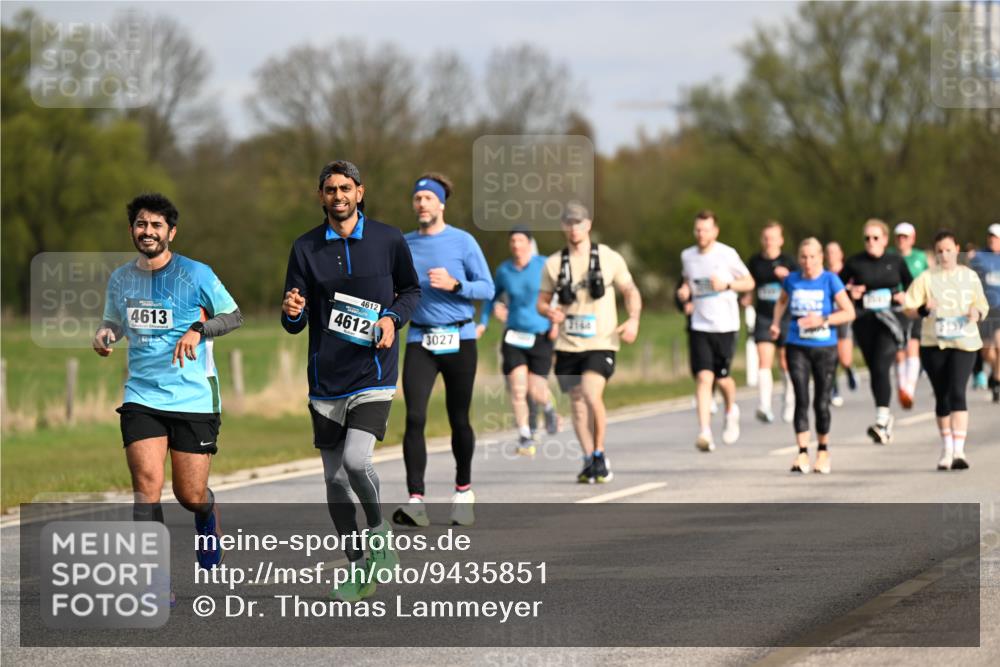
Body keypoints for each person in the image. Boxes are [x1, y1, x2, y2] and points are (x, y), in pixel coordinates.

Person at [281, 161, 421, 601]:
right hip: (326, 379)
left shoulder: (388, 239)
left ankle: (379, 536)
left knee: (357, 462)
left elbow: (411, 291)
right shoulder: (305, 247)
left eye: (345, 188)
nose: (338, 196)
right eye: (330, 189)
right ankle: (358, 566)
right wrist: (293, 311)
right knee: (335, 480)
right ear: (321, 196)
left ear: (360, 192)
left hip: (374, 372)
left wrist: (392, 319)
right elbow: (295, 318)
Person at [94, 193, 242, 582]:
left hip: (193, 397)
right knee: (146, 488)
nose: (148, 231)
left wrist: (199, 329)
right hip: (142, 396)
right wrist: (105, 334)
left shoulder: (197, 274)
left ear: (171, 232)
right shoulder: (121, 278)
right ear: (132, 230)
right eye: (141, 224)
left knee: (190, 495)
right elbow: (115, 322)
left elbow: (233, 316)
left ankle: (207, 516)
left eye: (156, 225)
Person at [393, 173, 495, 528]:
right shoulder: (403, 244)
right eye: (417, 198)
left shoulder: (463, 242)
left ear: (441, 204)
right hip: (420, 339)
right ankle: (416, 501)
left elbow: (487, 288)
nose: (421, 204)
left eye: (427, 198)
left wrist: (456, 285)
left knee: (459, 418)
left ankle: (463, 492)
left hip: (459, 338)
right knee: (414, 417)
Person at [537, 202, 641, 483]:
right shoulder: (553, 263)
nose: (574, 228)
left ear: (589, 224)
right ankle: (587, 459)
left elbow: (630, 290)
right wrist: (549, 311)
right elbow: (542, 301)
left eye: (579, 223)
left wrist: (633, 319)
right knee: (577, 402)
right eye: (569, 223)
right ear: (563, 226)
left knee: (591, 394)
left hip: (601, 341)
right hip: (567, 345)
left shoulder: (609, 258)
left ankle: (599, 453)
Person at [904, 230, 990, 469]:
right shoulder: (926, 277)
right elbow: (909, 308)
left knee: (957, 392)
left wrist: (976, 313)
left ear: (957, 249)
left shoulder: (969, 276)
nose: (945, 255)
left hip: (964, 342)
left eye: (949, 250)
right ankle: (947, 449)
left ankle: (959, 452)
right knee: (942, 396)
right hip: (934, 343)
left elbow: (981, 304)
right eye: (940, 251)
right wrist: (923, 308)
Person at [771, 238, 855, 474]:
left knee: (821, 401)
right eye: (803, 257)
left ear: (820, 258)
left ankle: (823, 451)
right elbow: (781, 302)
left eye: (812, 257)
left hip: (825, 348)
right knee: (801, 397)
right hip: (797, 345)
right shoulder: (792, 280)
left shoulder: (830, 280)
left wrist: (823, 319)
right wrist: (776, 323)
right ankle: (801, 453)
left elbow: (849, 312)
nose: (808, 262)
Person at [676, 210, 755, 452]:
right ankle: (705, 432)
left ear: (715, 231)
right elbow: (687, 280)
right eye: (698, 229)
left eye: (706, 229)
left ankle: (731, 410)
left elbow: (749, 282)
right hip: (699, 325)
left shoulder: (727, 254)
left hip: (725, 326)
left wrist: (727, 285)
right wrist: (685, 292)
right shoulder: (687, 256)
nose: (701, 234)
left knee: (722, 379)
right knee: (703, 377)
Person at [479, 226, 560, 456]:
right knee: (517, 388)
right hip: (514, 335)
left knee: (536, 390)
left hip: (541, 335)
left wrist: (556, 324)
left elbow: (559, 294)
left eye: (520, 240)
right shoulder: (504, 270)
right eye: (512, 241)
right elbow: (491, 297)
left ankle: (548, 407)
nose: (516, 245)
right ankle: (525, 435)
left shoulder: (543, 264)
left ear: (529, 243)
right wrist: (484, 320)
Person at [840, 219, 914, 444]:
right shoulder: (855, 262)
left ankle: (881, 420)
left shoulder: (895, 261)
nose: (871, 242)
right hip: (865, 321)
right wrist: (850, 291)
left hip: (890, 320)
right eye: (867, 238)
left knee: (882, 365)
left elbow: (911, 287)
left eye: (875, 238)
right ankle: (885, 417)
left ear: (884, 239)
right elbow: (837, 288)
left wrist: (904, 296)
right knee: (875, 370)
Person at [743, 221, 797, 424]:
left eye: (773, 238)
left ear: (780, 240)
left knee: (784, 361)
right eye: (766, 238)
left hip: (785, 316)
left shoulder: (789, 261)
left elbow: (800, 284)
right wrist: (747, 297)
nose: (769, 242)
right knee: (763, 360)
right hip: (764, 316)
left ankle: (789, 400)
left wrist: (788, 277)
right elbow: (750, 284)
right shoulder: (755, 262)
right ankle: (764, 405)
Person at [891, 222, 931, 409]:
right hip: (895, 308)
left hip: (915, 307)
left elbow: (927, 280)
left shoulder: (920, 257)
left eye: (905, 237)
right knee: (899, 350)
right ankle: (902, 388)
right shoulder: (890, 256)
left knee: (913, 345)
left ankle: (909, 390)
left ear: (912, 239)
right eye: (899, 236)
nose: (901, 240)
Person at [969, 223, 1000, 403]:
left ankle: (996, 380)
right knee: (988, 352)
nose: (992, 240)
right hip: (985, 308)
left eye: (996, 237)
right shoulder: (979, 257)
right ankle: (995, 373)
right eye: (990, 236)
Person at [824, 241, 857, 407]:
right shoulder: (822, 274)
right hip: (828, 318)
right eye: (828, 252)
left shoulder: (849, 273)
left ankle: (849, 369)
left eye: (834, 252)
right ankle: (834, 389)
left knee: (844, 358)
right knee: (830, 356)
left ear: (841, 254)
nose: (831, 256)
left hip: (844, 317)